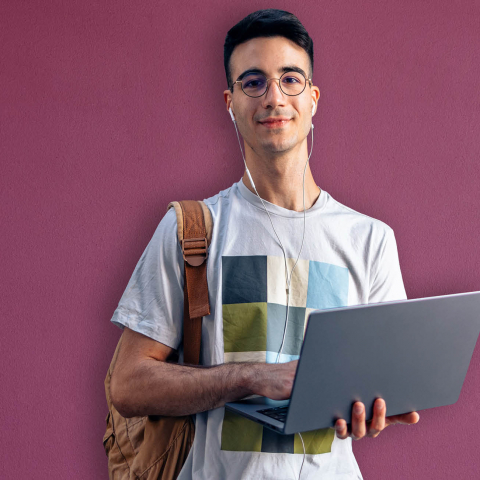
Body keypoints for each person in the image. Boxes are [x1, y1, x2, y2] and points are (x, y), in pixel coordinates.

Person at [109, 8, 420, 480]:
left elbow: (381, 381)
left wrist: (375, 407)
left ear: (313, 99)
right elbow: (128, 384)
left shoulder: (370, 240)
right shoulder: (192, 229)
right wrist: (252, 376)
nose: (274, 97)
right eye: (253, 82)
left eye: (290, 79)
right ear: (230, 102)